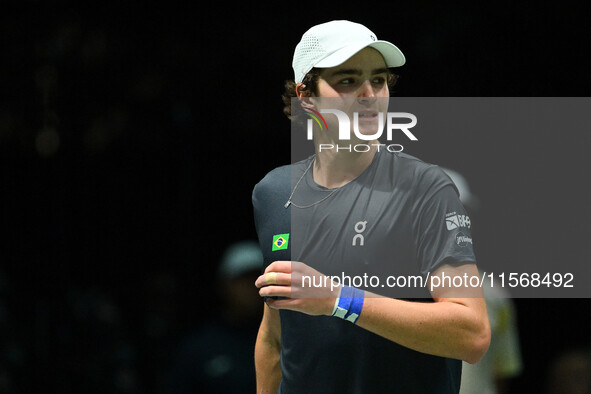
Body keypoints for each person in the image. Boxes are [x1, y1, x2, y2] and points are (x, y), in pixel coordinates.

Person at [252, 20, 490, 393]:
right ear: (306, 96)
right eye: (347, 81)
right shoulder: (273, 191)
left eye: (378, 80)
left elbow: (471, 333)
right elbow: (274, 336)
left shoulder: (424, 188)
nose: (369, 94)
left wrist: (336, 299)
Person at [167, 241, 263, 394]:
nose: (252, 287)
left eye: (258, 279)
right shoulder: (198, 348)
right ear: (224, 285)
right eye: (243, 280)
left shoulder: (284, 342)